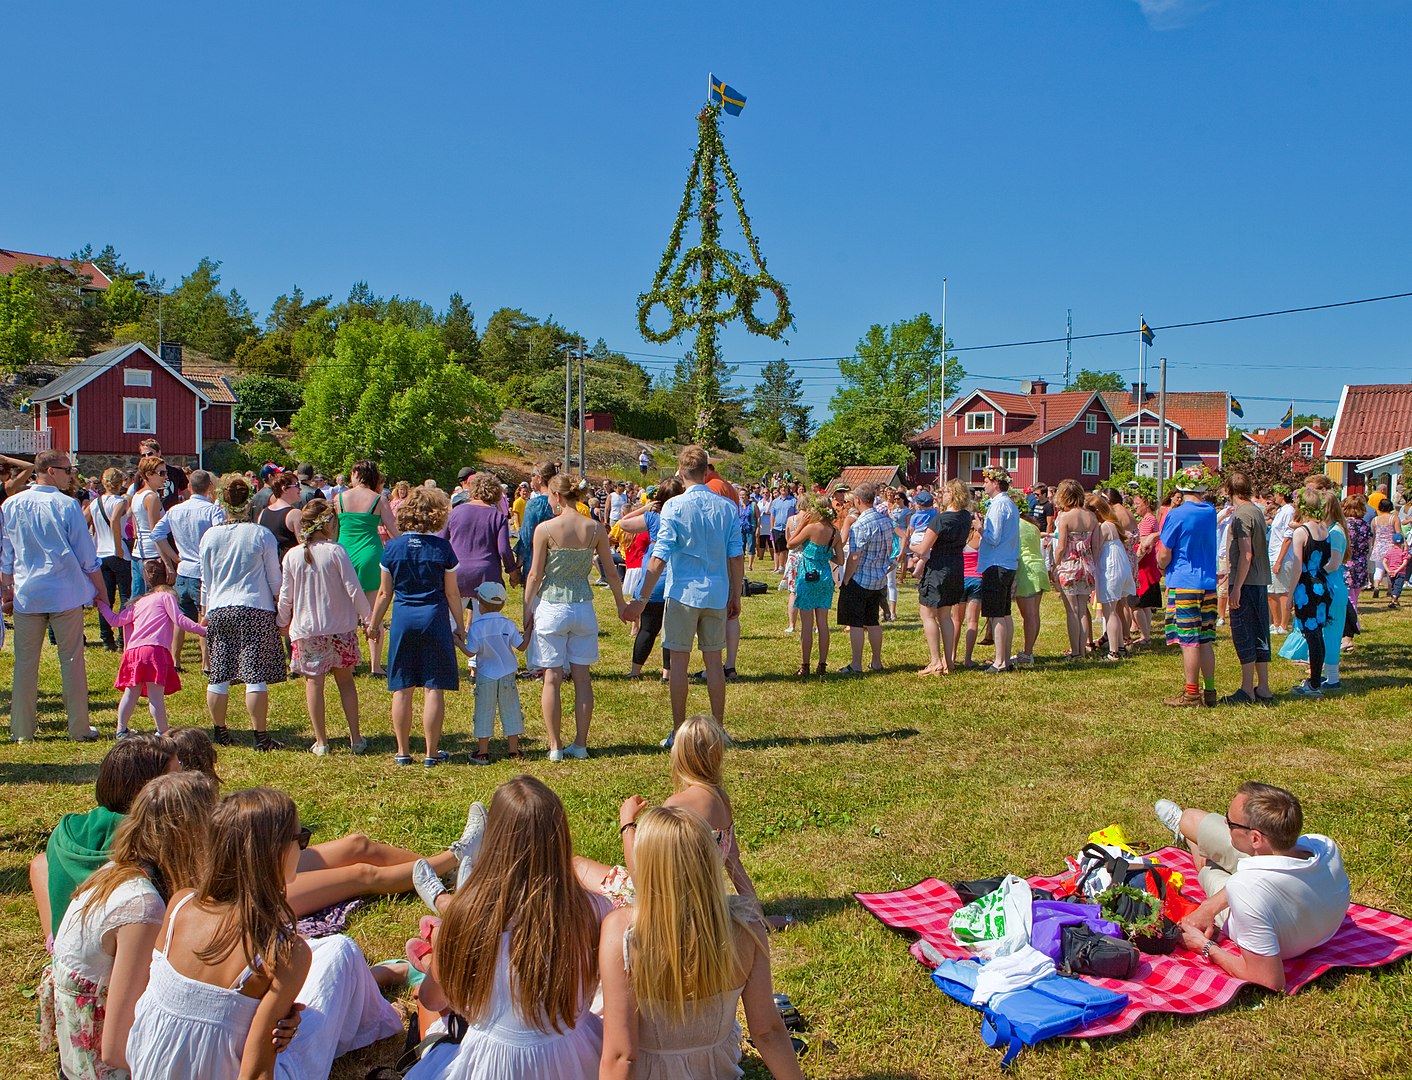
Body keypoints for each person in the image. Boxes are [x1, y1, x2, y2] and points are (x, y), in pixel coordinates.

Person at [124, 787, 405, 1079]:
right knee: (340, 951)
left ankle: (375, 991)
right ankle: (376, 1014)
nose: (304, 848)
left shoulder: (179, 906)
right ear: (277, 853)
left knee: (326, 952)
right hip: (228, 1069)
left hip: (150, 1069)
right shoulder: (283, 951)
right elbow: (256, 1074)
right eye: (302, 839)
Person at [404, 776, 608, 1079]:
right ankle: (448, 898)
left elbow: (433, 999)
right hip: (575, 1054)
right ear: (561, 837)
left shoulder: (469, 920)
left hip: (493, 1064)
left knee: (429, 1012)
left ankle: (449, 898)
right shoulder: (596, 909)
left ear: (494, 841)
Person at [598, 806, 806, 1080]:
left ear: (646, 866)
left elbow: (621, 1054)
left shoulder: (622, 932)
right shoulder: (748, 926)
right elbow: (767, 1031)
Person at [42, 772, 218, 1080]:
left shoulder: (115, 871)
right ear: (193, 836)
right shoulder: (141, 907)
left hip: (77, 1062)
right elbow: (117, 1047)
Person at [1154, 782, 1350, 991]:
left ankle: (1193, 844)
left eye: (1229, 823)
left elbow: (1270, 980)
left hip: (1251, 895)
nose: (1224, 822)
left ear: (1255, 838)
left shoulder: (1245, 889)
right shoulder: (1324, 847)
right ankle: (1192, 837)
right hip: (1266, 867)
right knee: (1189, 818)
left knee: (1209, 869)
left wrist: (1204, 946)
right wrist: (1207, 909)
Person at [624, 447, 743, 747]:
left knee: (678, 664)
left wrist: (640, 599)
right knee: (714, 663)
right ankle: (719, 729)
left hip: (682, 594)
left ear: (680, 471)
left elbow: (658, 557)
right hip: (716, 592)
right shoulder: (727, 507)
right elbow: (737, 556)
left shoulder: (673, 508)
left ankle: (678, 730)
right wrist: (735, 593)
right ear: (706, 471)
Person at [30, 735, 180, 946]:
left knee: (41, 862)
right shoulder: (155, 840)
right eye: (176, 780)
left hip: (68, 950)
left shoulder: (66, 829)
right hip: (123, 962)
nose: (186, 785)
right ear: (147, 791)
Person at [2, 448, 108, 742]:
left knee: (25, 664)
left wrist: (7, 590)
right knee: (72, 661)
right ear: (51, 471)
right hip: (63, 591)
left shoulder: (11, 504)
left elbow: (6, 556)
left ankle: (22, 731)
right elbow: (87, 556)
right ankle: (78, 728)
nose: (71, 475)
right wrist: (101, 593)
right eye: (66, 470)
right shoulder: (67, 505)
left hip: (28, 592)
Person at [523, 474, 629, 760]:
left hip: (552, 606)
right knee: (583, 679)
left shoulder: (545, 529)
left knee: (551, 678)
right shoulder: (595, 528)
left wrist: (525, 609)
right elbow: (610, 571)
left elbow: (535, 574)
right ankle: (580, 744)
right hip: (583, 607)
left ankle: (555, 745)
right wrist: (621, 605)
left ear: (557, 496)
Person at [369, 485, 464, 767]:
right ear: (436, 515)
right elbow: (452, 593)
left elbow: (385, 593)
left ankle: (402, 751)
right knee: (433, 686)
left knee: (402, 686)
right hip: (434, 616)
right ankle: (431, 752)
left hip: (403, 617)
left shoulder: (393, 548)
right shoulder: (442, 548)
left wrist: (374, 623)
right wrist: (460, 625)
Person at [200, 475, 288, 751]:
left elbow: (207, 579)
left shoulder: (210, 535)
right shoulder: (260, 534)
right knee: (255, 674)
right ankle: (260, 736)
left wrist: (205, 610)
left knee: (219, 674)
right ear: (248, 503)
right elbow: (275, 578)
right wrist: (282, 606)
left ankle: (220, 732)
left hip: (220, 606)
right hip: (254, 606)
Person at [277, 499, 371, 756]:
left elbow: (287, 595)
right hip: (340, 627)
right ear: (328, 523)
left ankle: (321, 741)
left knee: (314, 685)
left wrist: (281, 621)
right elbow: (354, 588)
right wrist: (368, 617)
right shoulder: (336, 552)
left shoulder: (293, 556)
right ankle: (356, 737)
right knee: (346, 682)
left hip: (307, 629)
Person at [102, 560, 207, 738]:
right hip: (155, 651)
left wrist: (102, 605)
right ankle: (163, 731)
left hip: (133, 652)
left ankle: (121, 729)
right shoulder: (166, 597)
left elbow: (115, 621)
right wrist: (203, 630)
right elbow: (180, 620)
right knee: (155, 695)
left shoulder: (138, 603)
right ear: (167, 579)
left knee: (131, 692)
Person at [152, 468, 225, 671]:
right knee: (204, 617)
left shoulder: (175, 510)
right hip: (203, 571)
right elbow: (219, 536)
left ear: (190, 487)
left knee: (180, 618)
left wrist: (175, 557)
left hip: (184, 569)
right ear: (210, 487)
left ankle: (175, 660)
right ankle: (206, 663)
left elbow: (156, 533)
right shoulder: (212, 510)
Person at [1159, 466, 1220, 707]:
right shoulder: (1210, 511)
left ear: (1180, 487)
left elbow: (1165, 552)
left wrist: (1162, 566)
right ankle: (1210, 690)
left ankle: (1191, 693)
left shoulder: (1177, 514)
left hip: (1184, 583)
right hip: (1208, 584)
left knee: (1188, 640)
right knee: (1204, 638)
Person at [334, 459, 399, 678]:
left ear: (355, 474)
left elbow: (333, 532)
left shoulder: (339, 498)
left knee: (346, 613)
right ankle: (375, 666)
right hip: (371, 554)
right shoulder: (378, 499)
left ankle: (348, 664)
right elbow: (392, 529)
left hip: (344, 553)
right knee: (374, 614)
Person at [620, 478, 685, 682]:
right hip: (677, 581)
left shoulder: (652, 518)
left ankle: (635, 671)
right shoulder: (684, 517)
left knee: (647, 629)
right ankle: (668, 673)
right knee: (671, 631)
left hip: (653, 581)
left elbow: (623, 523)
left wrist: (644, 508)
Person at [1221, 471, 1274, 704]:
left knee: (1244, 633)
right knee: (1261, 634)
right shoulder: (1257, 511)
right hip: (1260, 581)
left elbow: (1246, 553)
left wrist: (1236, 587)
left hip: (1247, 583)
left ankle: (1246, 689)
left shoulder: (1242, 515)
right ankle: (1263, 687)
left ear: (1228, 490)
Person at [908, 480, 971, 676]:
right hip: (956, 567)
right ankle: (949, 661)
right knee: (946, 615)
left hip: (938, 568)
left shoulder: (940, 520)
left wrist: (912, 547)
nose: (941, 495)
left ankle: (935, 661)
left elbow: (924, 547)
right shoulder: (965, 517)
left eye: (944, 492)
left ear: (952, 494)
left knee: (927, 614)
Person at [463, 581, 527, 765]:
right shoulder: (507, 624)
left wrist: (459, 642)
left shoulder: (477, 626)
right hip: (507, 673)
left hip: (486, 675)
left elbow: (471, 651)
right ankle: (514, 751)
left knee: (484, 710)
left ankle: (483, 752)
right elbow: (521, 646)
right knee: (511, 709)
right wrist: (529, 632)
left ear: (480, 605)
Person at [1284, 489, 1337, 697]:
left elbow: (1297, 567)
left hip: (1306, 588)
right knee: (1318, 635)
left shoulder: (1301, 533)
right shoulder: (1325, 529)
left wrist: (1289, 597)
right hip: (1322, 584)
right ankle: (1315, 680)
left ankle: (1314, 685)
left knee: (1311, 636)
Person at [788, 495, 842, 676]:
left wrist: (801, 525)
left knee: (806, 625)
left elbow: (790, 544)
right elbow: (840, 559)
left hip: (808, 573)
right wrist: (825, 556)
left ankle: (805, 666)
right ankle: (822, 664)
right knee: (823, 623)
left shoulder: (811, 528)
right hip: (825, 575)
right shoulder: (835, 531)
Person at [976, 467, 1020, 673]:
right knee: (1004, 612)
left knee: (996, 614)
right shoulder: (1009, 504)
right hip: (1007, 562)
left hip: (996, 563)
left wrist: (979, 527)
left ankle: (1000, 661)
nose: (983, 484)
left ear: (995, 483)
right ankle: (1005, 659)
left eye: (986, 481)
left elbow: (993, 538)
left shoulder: (998, 506)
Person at [90, 468, 132, 652]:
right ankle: (123, 638)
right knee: (125, 596)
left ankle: (106, 639)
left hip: (100, 553)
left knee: (105, 597)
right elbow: (115, 520)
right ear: (121, 482)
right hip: (116, 551)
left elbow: (84, 520)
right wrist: (118, 547)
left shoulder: (94, 503)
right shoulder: (120, 501)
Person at [1090, 493, 1135, 662]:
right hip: (1121, 566)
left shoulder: (1103, 527)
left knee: (1110, 612)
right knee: (1115, 609)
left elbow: (1095, 548)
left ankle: (1114, 651)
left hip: (1110, 568)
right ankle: (1121, 646)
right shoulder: (1113, 525)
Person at [1014, 507, 1048, 666]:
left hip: (1026, 570)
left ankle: (1027, 654)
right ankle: (1029, 651)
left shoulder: (1015, 525)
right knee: (1034, 614)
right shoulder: (1033, 527)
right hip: (1039, 568)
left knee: (1028, 616)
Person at [514, 460, 558, 578]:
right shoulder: (562, 501)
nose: (531, 479)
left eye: (532, 475)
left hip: (537, 562)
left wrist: (518, 565)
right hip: (559, 562)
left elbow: (526, 537)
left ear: (539, 478)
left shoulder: (536, 504)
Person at [1130, 490, 1163, 647]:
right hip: (1149, 564)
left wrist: (1134, 562)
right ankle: (1147, 633)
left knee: (1136, 603)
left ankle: (1145, 636)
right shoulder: (1151, 519)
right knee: (1146, 604)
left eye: (1137, 504)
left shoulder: (1147, 521)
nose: (1135, 507)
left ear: (1146, 504)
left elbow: (1143, 545)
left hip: (1142, 565)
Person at [1267, 485, 1296, 633]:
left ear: (1282, 495)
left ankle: (1284, 624)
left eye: (1276, 494)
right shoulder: (1280, 511)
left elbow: (1288, 537)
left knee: (1283, 591)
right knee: (1271, 591)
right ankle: (1276, 623)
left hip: (1283, 556)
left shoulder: (1289, 511)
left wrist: (1279, 561)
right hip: (1272, 554)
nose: (1274, 497)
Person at [257, 472, 303, 563]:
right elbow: (304, 546)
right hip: (289, 566)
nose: (300, 489)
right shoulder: (295, 514)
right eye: (297, 485)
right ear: (285, 489)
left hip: (269, 565)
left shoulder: (263, 513)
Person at [1369, 494, 1404, 597]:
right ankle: (1390, 589)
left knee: (1379, 568)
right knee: (1391, 568)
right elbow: (1398, 532)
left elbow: (1373, 534)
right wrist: (1403, 544)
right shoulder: (1394, 518)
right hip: (1391, 546)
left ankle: (1376, 586)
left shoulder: (1375, 520)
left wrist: (1372, 545)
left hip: (1378, 545)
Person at [769, 484, 797, 574]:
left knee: (788, 548)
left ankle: (788, 566)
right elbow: (772, 515)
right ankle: (781, 567)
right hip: (777, 528)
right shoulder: (775, 502)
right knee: (779, 549)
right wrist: (772, 527)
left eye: (785, 488)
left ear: (788, 490)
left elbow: (796, 514)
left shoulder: (793, 501)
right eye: (781, 488)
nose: (783, 490)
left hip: (788, 528)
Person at [1384, 533, 1408, 608]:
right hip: (1400, 572)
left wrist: (1388, 570)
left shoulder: (1390, 551)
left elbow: (1384, 561)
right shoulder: (1403, 552)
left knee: (1393, 586)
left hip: (1391, 572)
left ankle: (1395, 600)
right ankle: (1394, 600)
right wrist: (1397, 570)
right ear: (1402, 542)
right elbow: (1405, 562)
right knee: (1398, 586)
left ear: (1392, 542)